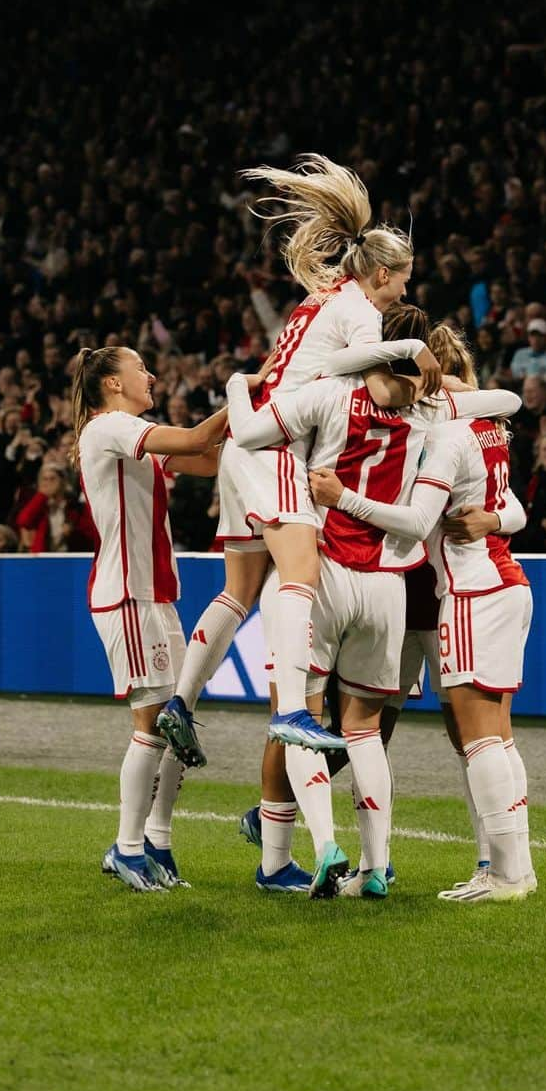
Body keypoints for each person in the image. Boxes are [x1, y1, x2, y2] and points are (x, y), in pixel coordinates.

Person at [156, 155, 441, 767]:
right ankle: (291, 709)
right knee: (301, 575)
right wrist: (415, 349)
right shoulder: (361, 310)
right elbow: (359, 372)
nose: (406, 291)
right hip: (275, 446)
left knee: (240, 588)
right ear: (384, 274)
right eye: (405, 280)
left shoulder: (315, 299)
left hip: (245, 442)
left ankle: (180, 700)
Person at [227, 308, 521, 898]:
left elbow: (249, 432)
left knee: (299, 716)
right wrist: (439, 380)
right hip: (392, 581)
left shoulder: (327, 393)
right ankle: (378, 865)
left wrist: (238, 385)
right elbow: (507, 402)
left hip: (328, 570)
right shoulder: (432, 412)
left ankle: (310, 847)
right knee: (369, 728)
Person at [309, 411, 535, 903]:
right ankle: (504, 868)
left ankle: (500, 872)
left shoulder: (443, 437)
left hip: (454, 593)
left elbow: (417, 520)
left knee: (469, 738)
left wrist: (339, 497)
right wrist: (494, 518)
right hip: (482, 585)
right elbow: (513, 505)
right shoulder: (485, 431)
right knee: (488, 735)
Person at [73, 345, 229, 892]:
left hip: (157, 596)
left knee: (176, 722)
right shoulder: (109, 428)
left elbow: (205, 459)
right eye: (140, 368)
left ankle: (158, 842)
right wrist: (245, 395)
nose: (152, 374)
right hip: (126, 596)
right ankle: (128, 847)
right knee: (152, 724)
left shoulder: (134, 435)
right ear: (112, 384)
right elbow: (190, 439)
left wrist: (247, 429)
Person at [509, 317, 546, 389]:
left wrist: (529, 377)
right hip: (520, 392)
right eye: (532, 335)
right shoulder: (520, 354)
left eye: (540, 336)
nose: (536, 339)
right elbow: (516, 377)